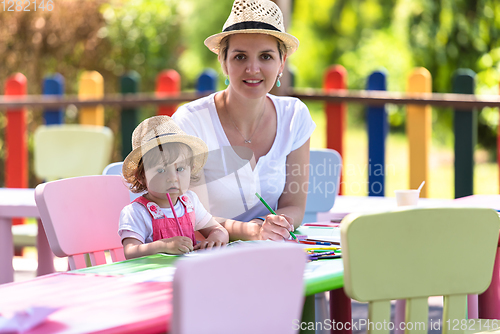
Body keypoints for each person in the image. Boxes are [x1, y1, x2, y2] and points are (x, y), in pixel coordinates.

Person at [173, 0, 315, 241]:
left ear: (281, 63)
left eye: (266, 56)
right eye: (240, 57)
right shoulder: (191, 122)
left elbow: (294, 205)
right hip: (206, 256)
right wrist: (252, 231)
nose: (253, 68)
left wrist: (271, 225)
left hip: (269, 252)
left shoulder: (294, 116)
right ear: (223, 62)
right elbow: (191, 216)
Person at [118, 116, 229, 259]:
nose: (173, 177)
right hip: (153, 276)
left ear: (191, 169)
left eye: (180, 169)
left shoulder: (190, 202)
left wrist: (216, 238)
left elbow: (218, 229)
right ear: (141, 176)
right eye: (161, 170)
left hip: (189, 272)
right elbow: (131, 252)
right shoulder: (136, 212)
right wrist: (163, 246)